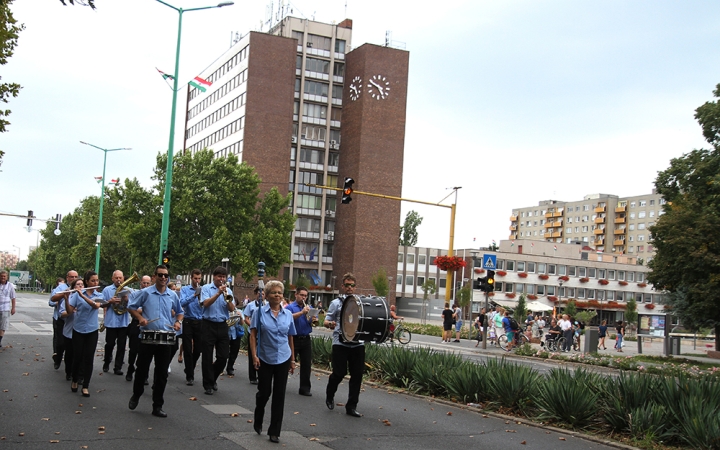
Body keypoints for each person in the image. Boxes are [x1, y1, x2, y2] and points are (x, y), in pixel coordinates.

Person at [127, 265, 183, 418]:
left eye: (166, 275)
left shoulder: (172, 295)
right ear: (154, 276)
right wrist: (140, 318)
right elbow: (130, 306)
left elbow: (180, 312)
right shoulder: (145, 293)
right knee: (141, 369)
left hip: (165, 337)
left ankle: (157, 405)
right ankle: (136, 395)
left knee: (162, 373)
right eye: (160, 275)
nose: (163, 278)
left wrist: (178, 322)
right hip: (147, 336)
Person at [250, 280, 296, 443]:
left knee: (279, 394)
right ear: (267, 295)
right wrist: (255, 355)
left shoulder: (288, 314)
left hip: (283, 357)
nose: (277, 295)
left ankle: (274, 430)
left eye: (280, 292)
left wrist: (292, 360)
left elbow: (290, 337)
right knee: (264, 392)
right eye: (274, 292)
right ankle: (259, 415)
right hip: (265, 357)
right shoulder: (259, 312)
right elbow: (253, 335)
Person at [324, 273, 364, 418]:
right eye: (347, 285)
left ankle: (351, 406)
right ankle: (330, 393)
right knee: (339, 373)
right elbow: (326, 321)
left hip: (357, 343)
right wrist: (330, 324)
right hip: (340, 342)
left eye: (352, 285)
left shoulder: (360, 303)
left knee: (357, 375)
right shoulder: (336, 303)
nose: (349, 288)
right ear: (342, 286)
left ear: (355, 286)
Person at [200, 266, 235, 395]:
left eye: (223, 277)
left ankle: (212, 377)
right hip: (208, 324)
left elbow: (231, 309)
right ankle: (207, 385)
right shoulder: (206, 288)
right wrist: (218, 293)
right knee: (207, 356)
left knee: (223, 356)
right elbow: (206, 304)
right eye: (219, 276)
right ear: (214, 277)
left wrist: (226, 297)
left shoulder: (228, 291)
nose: (221, 279)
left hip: (222, 325)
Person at [67, 270, 103, 397]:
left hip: (92, 330)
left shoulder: (99, 294)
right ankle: (75, 379)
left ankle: (86, 385)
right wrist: (67, 298)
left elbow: (96, 306)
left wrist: (82, 296)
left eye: (97, 280)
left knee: (89, 358)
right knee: (77, 357)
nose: (95, 282)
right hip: (78, 330)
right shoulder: (77, 294)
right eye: (93, 280)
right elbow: (70, 310)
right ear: (87, 282)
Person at [285, 286, 316, 395]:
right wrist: (302, 312)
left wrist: (313, 319)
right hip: (294, 338)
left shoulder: (309, 307)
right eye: (301, 295)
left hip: (306, 338)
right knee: (287, 362)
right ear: (296, 295)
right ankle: (281, 384)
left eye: (305, 296)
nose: (303, 297)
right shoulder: (290, 307)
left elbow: (311, 321)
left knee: (306, 364)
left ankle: (305, 388)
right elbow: (288, 318)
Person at [102, 270, 130, 375]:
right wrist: (110, 301)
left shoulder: (127, 290)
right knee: (109, 344)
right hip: (111, 322)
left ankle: (118, 367)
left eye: (120, 278)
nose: (119, 280)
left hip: (123, 322)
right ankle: (107, 362)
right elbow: (101, 304)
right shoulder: (107, 290)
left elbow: (133, 307)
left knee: (121, 345)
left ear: (123, 278)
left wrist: (127, 300)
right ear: (112, 279)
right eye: (116, 278)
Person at [49, 271, 78, 369]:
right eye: (71, 277)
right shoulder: (61, 287)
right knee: (60, 342)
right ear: (67, 278)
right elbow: (52, 300)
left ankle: (70, 366)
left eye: (75, 277)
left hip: (73, 320)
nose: (73, 279)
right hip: (61, 318)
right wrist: (65, 293)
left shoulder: (80, 287)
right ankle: (57, 359)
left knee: (71, 344)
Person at [179, 269, 203, 386]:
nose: (197, 281)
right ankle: (190, 376)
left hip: (200, 322)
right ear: (191, 278)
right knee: (187, 349)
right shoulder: (185, 289)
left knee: (198, 349)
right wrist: (194, 296)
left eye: (199, 278)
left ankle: (189, 367)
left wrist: (201, 297)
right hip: (188, 321)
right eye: (195, 278)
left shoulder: (204, 290)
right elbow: (182, 303)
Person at [126, 275, 151, 383]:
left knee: (146, 352)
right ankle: (130, 369)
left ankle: (144, 375)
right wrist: (141, 311)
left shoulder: (151, 295)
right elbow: (131, 308)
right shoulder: (135, 294)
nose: (145, 285)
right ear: (140, 283)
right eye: (144, 283)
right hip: (136, 323)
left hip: (147, 325)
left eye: (147, 283)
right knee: (133, 349)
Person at [243, 285, 265, 385]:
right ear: (256, 294)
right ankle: (252, 377)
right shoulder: (250, 305)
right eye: (260, 294)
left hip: (263, 335)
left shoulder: (267, 305)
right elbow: (246, 318)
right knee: (253, 354)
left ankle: (262, 374)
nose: (261, 296)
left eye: (264, 294)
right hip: (252, 333)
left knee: (262, 354)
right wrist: (253, 326)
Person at [225, 305, 244, 376]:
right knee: (224, 353)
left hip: (235, 335)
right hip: (226, 334)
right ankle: (220, 366)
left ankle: (230, 368)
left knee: (234, 352)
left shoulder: (239, 311)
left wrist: (240, 316)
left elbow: (242, 323)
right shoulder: (224, 311)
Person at [0, 270, 17, 349]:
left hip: (5, 308)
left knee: (3, 326)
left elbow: (13, 297)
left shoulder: (10, 286)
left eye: (4, 276)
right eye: (1, 276)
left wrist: (13, 308)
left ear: (7, 277)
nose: (3, 277)